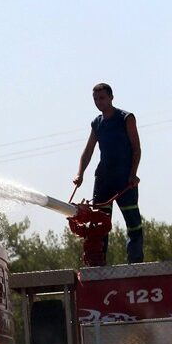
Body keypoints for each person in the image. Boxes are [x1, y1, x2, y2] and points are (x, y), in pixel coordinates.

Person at [73, 83, 144, 264]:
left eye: (102, 98)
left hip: (125, 179)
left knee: (133, 222)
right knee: (98, 224)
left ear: (111, 97)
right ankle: (99, 265)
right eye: (95, 99)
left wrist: (133, 173)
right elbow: (88, 151)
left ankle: (135, 263)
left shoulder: (126, 118)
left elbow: (136, 148)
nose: (99, 102)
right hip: (104, 179)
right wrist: (80, 174)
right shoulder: (97, 123)